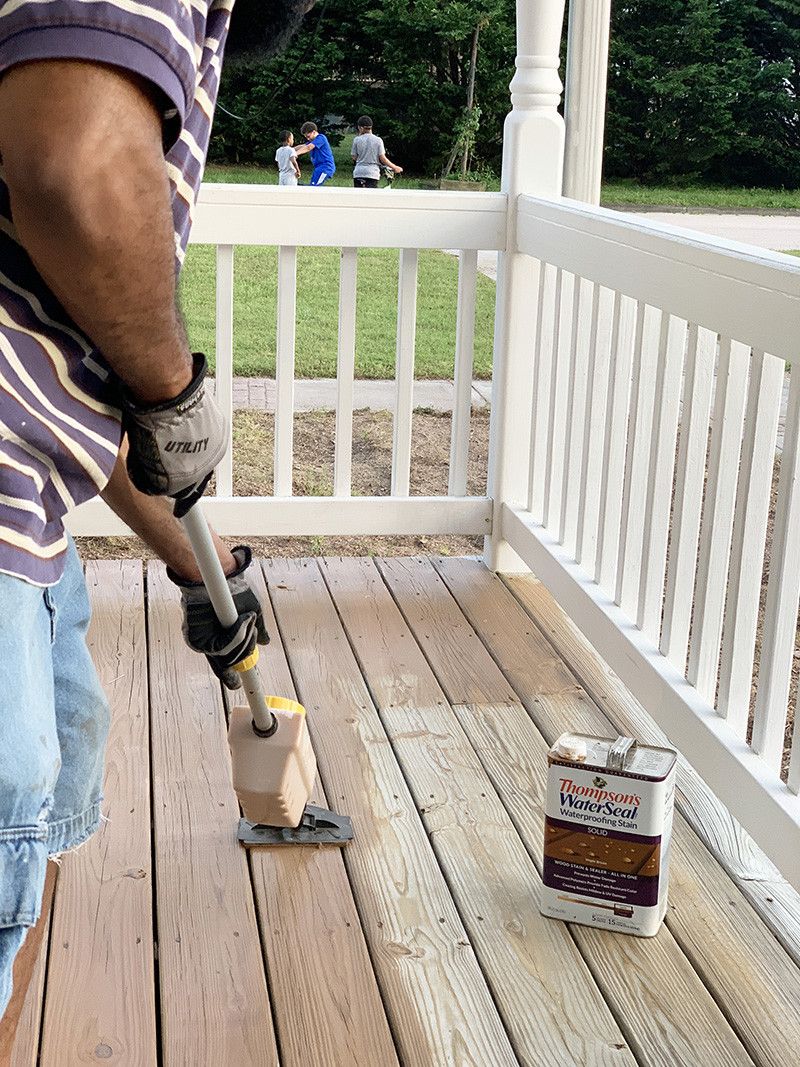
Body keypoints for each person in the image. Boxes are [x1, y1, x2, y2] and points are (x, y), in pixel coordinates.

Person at [0, 0, 315, 1053]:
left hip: (25, 512)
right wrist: (176, 388)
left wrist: (200, 569)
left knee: (45, 802)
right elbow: (78, 169)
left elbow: (71, 389)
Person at [351, 116, 403, 188]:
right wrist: (394, 167)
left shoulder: (356, 140)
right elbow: (382, 158)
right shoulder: (378, 140)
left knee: (359, 196)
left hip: (358, 172)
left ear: (361, 128)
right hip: (372, 173)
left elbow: (354, 157)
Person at [293, 121, 336, 186]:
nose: (308, 139)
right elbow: (303, 146)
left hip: (325, 167)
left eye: (308, 136)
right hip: (318, 167)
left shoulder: (321, 138)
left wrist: (295, 154)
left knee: (314, 187)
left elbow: (308, 147)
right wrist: (289, 150)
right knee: (313, 185)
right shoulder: (312, 141)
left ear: (314, 132)